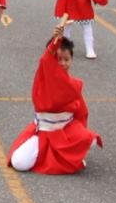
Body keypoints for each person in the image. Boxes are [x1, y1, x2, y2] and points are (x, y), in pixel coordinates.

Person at [7, 25, 102, 174]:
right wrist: (55, 42)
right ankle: (55, 156)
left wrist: (81, 135)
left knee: (91, 140)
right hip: (44, 133)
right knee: (19, 162)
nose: (63, 63)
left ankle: (68, 154)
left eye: (67, 59)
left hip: (65, 131)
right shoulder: (44, 78)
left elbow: (81, 114)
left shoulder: (72, 84)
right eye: (58, 60)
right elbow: (46, 60)